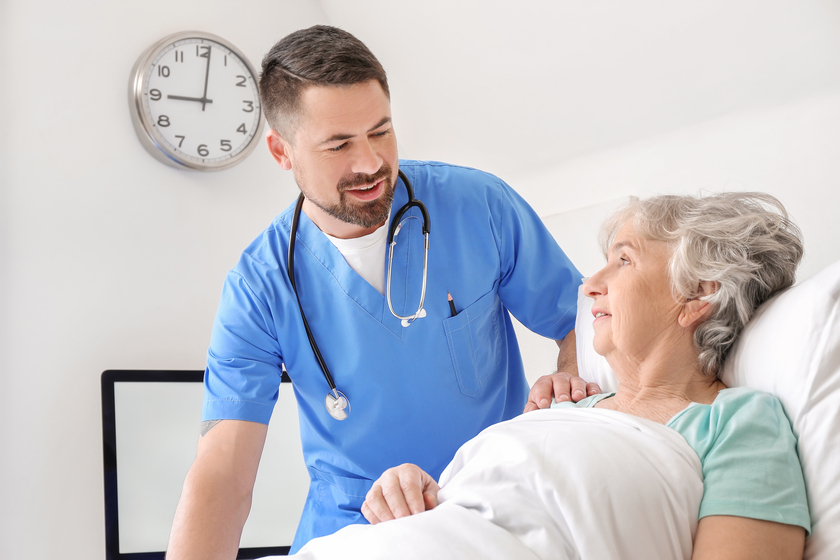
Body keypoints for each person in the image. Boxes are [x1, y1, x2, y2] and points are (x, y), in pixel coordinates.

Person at [166, 25, 595, 559]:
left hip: (486, 505)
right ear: (282, 152)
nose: (370, 163)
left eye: (381, 132)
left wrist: (573, 386)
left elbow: (586, 318)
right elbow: (223, 473)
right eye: (339, 144)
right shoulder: (260, 284)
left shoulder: (479, 207)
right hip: (352, 531)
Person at [297, 192, 809, 560]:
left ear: (698, 295)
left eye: (623, 261)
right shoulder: (567, 406)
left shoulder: (740, 424)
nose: (590, 284)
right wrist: (415, 493)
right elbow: (491, 507)